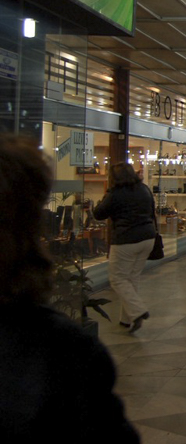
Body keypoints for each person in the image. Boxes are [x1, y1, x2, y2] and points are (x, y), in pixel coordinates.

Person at [0, 134, 140, 442]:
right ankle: (134, 310)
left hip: (125, 241)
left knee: (123, 276)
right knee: (126, 276)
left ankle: (133, 310)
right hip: (138, 240)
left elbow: (102, 212)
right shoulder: (61, 352)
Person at [93, 161, 156, 334]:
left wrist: (105, 196)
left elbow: (98, 213)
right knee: (132, 278)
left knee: (118, 278)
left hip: (126, 240)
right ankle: (127, 319)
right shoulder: (144, 189)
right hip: (147, 238)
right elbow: (152, 211)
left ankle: (138, 311)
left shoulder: (115, 194)